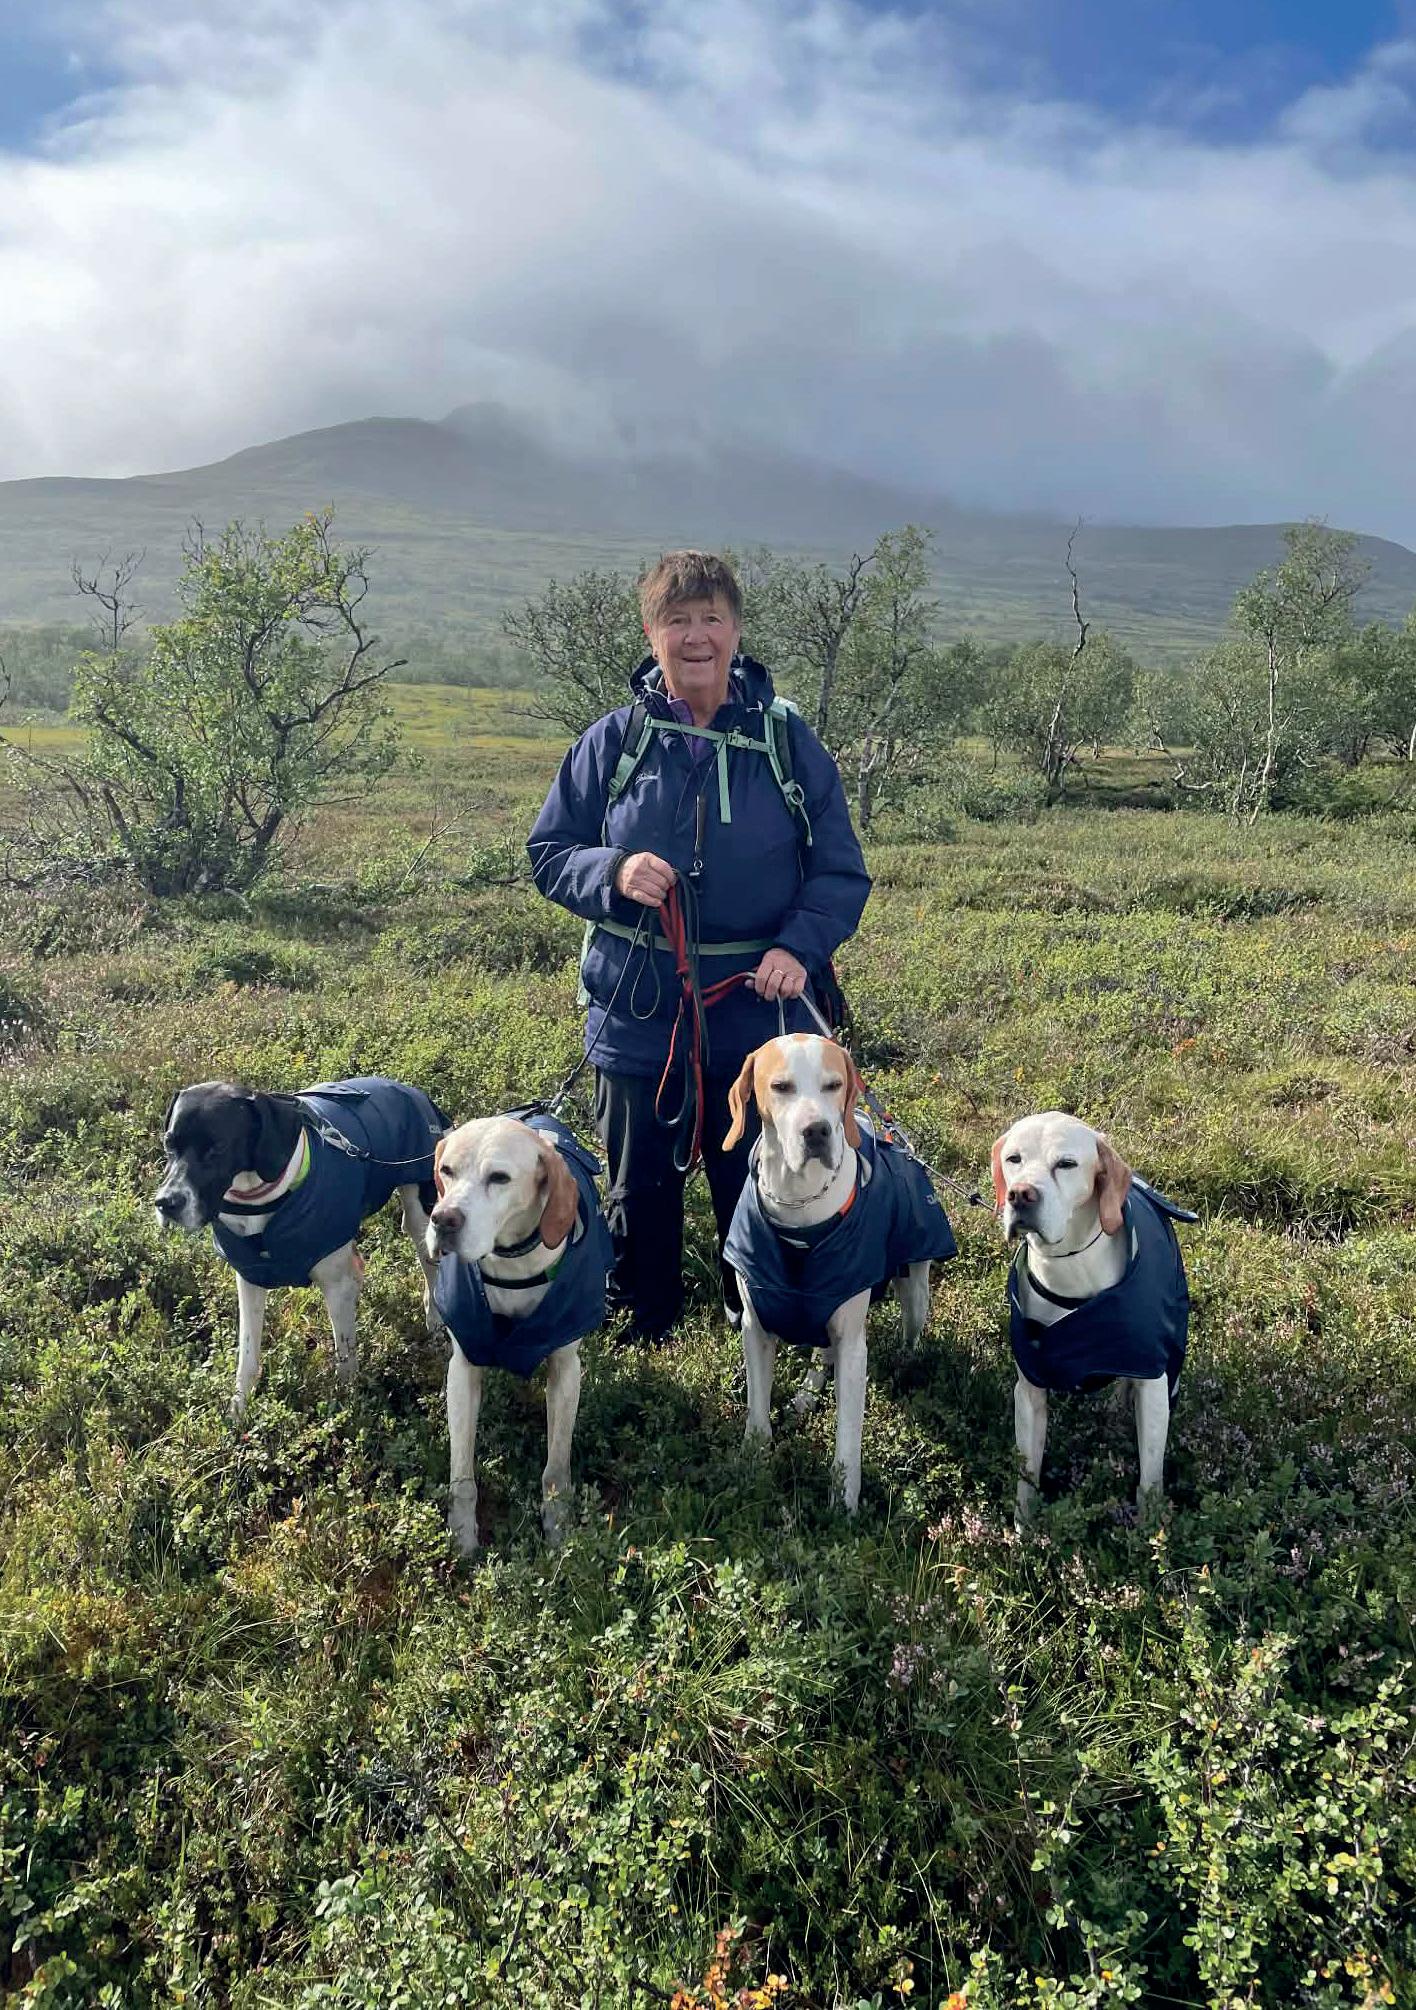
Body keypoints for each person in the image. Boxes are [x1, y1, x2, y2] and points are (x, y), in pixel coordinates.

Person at [527, 551, 871, 1344]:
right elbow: (549, 852)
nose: (696, 637)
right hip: (636, 1007)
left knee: (761, 1175)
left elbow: (840, 871)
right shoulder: (613, 741)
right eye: (677, 620)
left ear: (736, 631)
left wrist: (797, 949)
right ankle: (646, 1328)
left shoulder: (787, 742)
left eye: (712, 618)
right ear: (652, 635)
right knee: (638, 1185)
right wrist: (611, 870)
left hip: (760, 1008)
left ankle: (756, 1317)